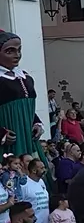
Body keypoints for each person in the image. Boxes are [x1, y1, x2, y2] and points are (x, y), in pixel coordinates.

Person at [0, 31, 49, 177]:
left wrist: (37, 123)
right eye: (10, 51)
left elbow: (28, 109)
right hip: (9, 141)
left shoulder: (26, 77)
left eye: (19, 50)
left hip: (28, 138)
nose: (17, 55)